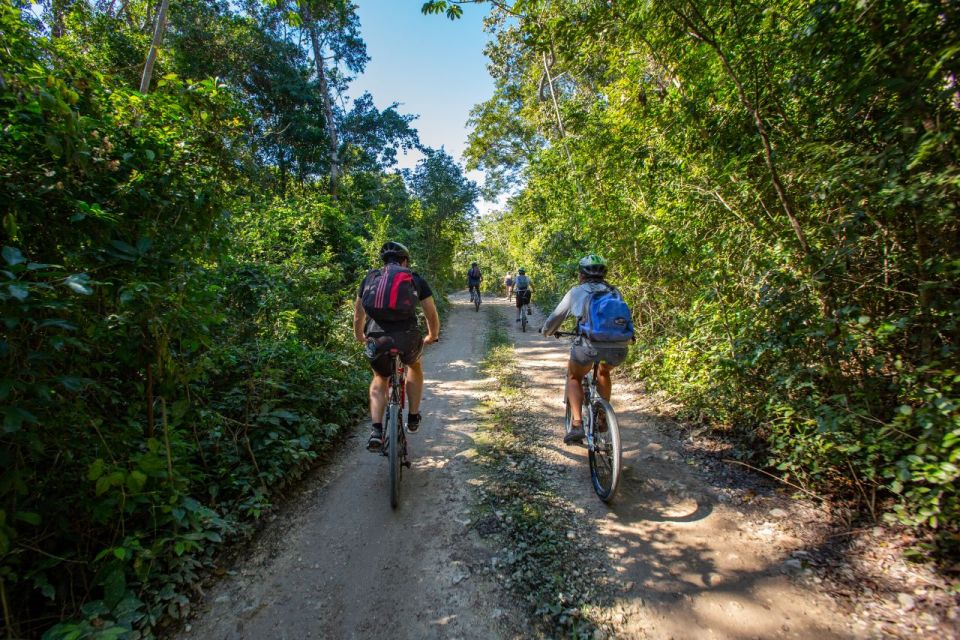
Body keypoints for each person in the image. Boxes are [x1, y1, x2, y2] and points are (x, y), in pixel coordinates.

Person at [354, 241, 440, 451]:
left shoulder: (370, 278)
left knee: (380, 377)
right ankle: (412, 417)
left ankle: (376, 430)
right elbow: (430, 313)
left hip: (377, 338)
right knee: (415, 366)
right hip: (407, 337)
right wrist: (432, 335)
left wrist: (359, 337)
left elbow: (358, 315)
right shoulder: (414, 278)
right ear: (405, 261)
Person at [540, 255, 631, 445]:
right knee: (604, 371)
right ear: (604, 274)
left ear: (581, 274)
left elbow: (557, 317)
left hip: (588, 347)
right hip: (619, 348)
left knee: (574, 377)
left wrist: (547, 331)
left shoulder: (576, 292)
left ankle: (577, 424)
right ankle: (603, 418)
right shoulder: (615, 291)